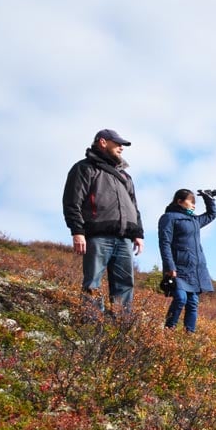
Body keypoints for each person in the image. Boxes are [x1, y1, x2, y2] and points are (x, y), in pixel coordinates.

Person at [62, 129, 144, 311]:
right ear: (103, 142)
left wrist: (138, 233)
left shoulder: (125, 176)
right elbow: (72, 202)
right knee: (93, 282)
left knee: (125, 284)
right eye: (118, 143)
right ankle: (91, 325)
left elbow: (134, 206)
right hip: (98, 236)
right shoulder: (84, 168)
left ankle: (120, 327)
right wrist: (77, 231)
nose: (121, 148)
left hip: (124, 238)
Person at [158, 188, 216, 332]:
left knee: (192, 303)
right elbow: (164, 243)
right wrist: (169, 266)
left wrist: (208, 199)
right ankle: (168, 329)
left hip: (195, 270)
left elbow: (211, 214)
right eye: (191, 202)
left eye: (194, 202)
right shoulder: (169, 218)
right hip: (178, 268)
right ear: (179, 201)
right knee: (180, 298)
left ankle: (189, 336)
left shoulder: (195, 220)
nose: (193, 205)